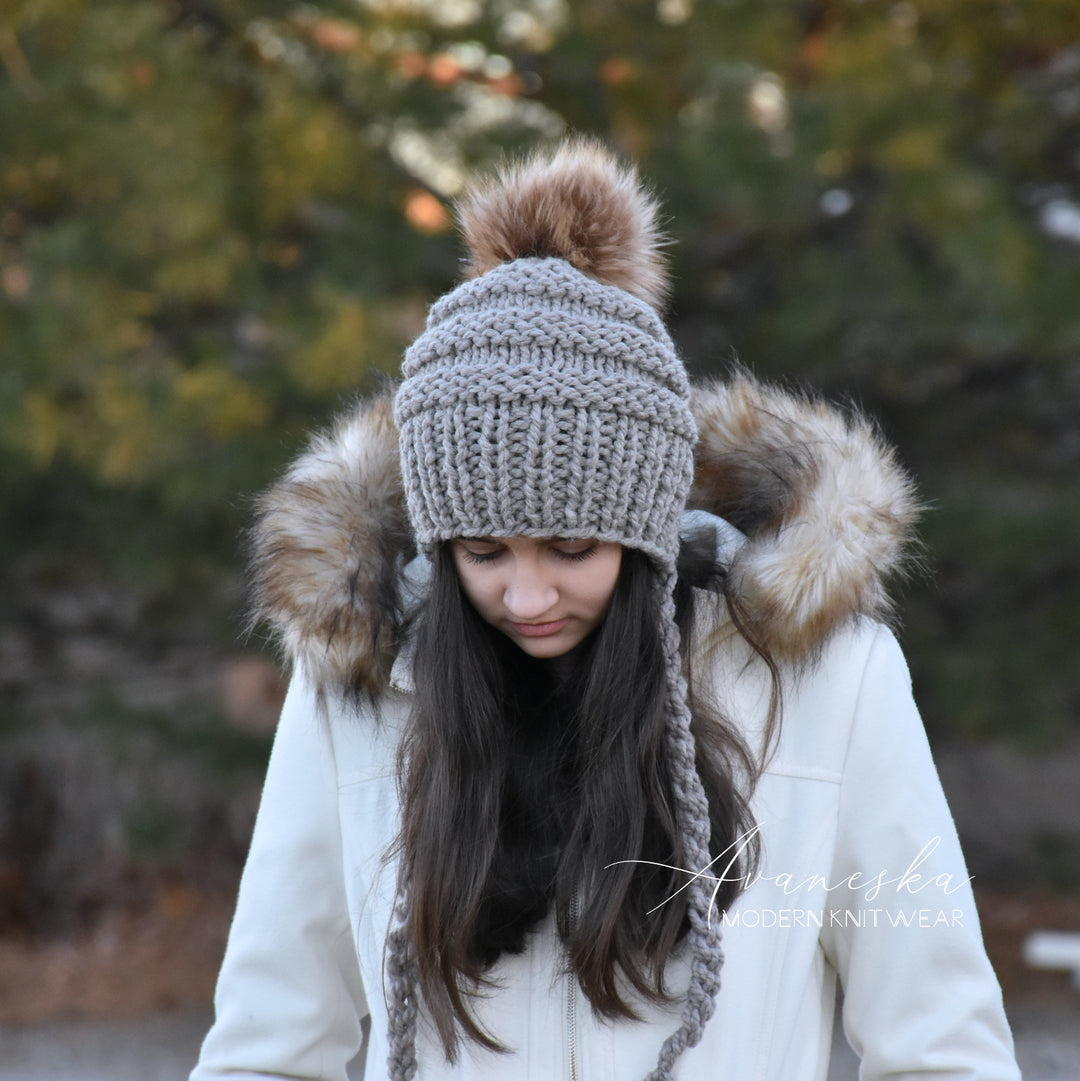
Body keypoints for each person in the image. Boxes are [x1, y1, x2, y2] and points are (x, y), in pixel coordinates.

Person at [191, 139, 1020, 1080]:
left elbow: (942, 1050)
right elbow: (269, 1049)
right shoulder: (362, 689)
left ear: (645, 532)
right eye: (485, 551)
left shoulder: (830, 679)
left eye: (573, 549)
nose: (529, 594)